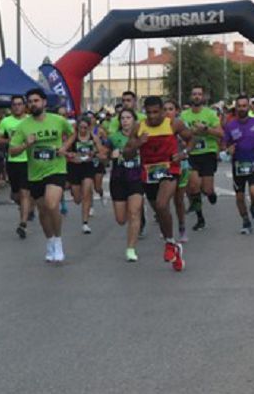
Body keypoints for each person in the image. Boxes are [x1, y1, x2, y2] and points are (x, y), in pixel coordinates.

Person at [9, 89, 73, 263]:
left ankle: (58, 241)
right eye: (30, 101)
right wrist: (25, 144)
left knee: (52, 204)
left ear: (44, 102)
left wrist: (65, 147)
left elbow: (72, 133)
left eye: (36, 100)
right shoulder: (23, 126)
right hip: (35, 173)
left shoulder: (58, 120)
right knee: (43, 211)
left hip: (56, 169)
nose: (32, 104)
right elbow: (12, 151)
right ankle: (50, 241)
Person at [136, 95, 189, 271]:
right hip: (149, 173)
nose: (152, 116)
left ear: (162, 111)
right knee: (159, 211)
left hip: (170, 169)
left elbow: (192, 139)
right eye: (148, 112)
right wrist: (137, 142)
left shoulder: (174, 124)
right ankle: (174, 247)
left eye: (156, 112)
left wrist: (184, 153)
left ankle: (169, 244)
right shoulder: (139, 126)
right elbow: (127, 152)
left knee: (161, 204)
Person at [224, 95, 254, 234]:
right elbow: (225, 143)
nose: (241, 108)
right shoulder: (230, 125)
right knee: (239, 197)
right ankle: (245, 220)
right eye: (239, 106)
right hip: (238, 164)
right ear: (236, 107)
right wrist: (228, 149)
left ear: (249, 107)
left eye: (244, 106)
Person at [180, 85, 223, 231]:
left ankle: (211, 194)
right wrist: (190, 132)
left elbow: (220, 133)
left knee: (207, 189)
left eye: (199, 94)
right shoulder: (184, 115)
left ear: (203, 97)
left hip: (207, 153)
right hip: (192, 154)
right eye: (194, 94)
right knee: (193, 186)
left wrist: (205, 129)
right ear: (191, 97)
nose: (197, 96)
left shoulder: (210, 114)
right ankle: (200, 218)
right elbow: (180, 133)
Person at [104, 108, 145, 261]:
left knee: (134, 213)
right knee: (121, 219)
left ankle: (131, 249)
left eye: (128, 118)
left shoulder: (142, 137)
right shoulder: (114, 138)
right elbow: (104, 156)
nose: (125, 121)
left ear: (134, 120)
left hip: (136, 178)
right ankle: (135, 218)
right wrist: (109, 155)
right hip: (119, 179)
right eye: (122, 118)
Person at [0, 95, 32, 239]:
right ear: (11, 107)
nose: (17, 107)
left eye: (20, 104)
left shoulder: (30, 120)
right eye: (14, 105)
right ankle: (25, 207)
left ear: (24, 106)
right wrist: (8, 140)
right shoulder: (6, 121)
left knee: (25, 193)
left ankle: (22, 224)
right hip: (12, 160)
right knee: (16, 195)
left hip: (28, 161)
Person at [63, 116, 102, 234]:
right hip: (74, 167)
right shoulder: (74, 137)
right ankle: (73, 190)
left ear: (89, 127)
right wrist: (70, 155)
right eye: (81, 127)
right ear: (77, 127)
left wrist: (94, 152)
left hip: (87, 167)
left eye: (85, 127)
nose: (83, 130)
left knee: (86, 193)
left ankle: (85, 223)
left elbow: (101, 150)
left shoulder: (93, 137)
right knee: (77, 199)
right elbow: (62, 150)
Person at [163, 100, 192, 242]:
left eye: (171, 109)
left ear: (176, 111)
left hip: (181, 165)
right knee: (163, 200)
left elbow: (193, 139)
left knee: (178, 200)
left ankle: (182, 227)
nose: (168, 112)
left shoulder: (180, 125)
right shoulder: (157, 126)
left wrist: (184, 152)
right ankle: (166, 229)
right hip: (163, 166)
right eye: (165, 109)